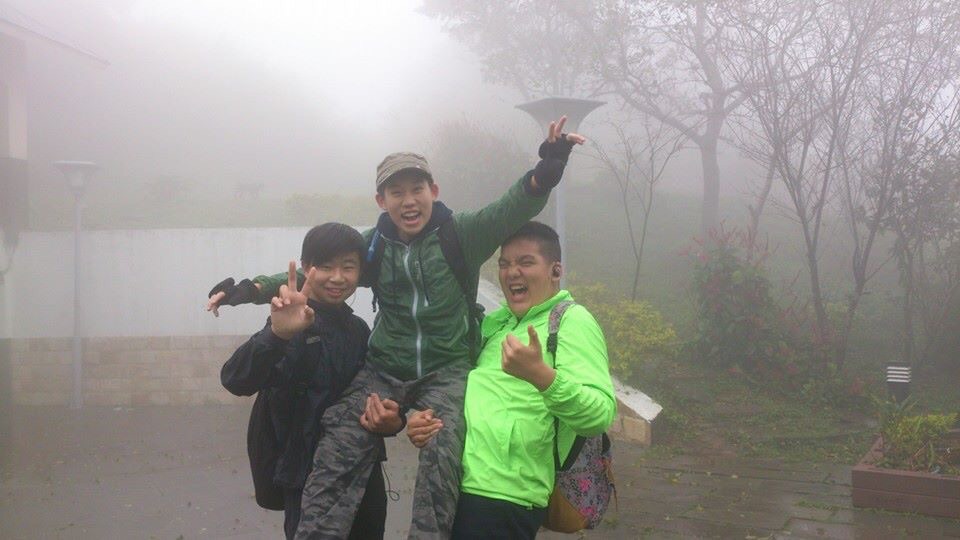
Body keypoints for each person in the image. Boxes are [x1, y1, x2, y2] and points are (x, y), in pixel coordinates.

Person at [207, 118, 585, 539]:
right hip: (385, 368)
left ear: (433, 191)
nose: (408, 201)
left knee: (443, 453)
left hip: (447, 370)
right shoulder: (373, 246)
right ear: (381, 200)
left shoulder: (462, 234)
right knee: (340, 436)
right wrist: (251, 289)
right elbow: (314, 274)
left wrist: (546, 170)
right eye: (396, 192)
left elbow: (510, 208)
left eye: (416, 189)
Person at [406, 221, 616, 540]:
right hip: (449, 481)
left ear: (555, 270)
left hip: (504, 496)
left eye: (525, 262)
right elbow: (461, 390)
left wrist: (542, 377)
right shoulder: (495, 324)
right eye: (504, 264)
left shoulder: (573, 321)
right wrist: (424, 420)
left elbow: (599, 414)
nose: (511, 272)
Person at [220, 223, 404, 540]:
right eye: (326, 266)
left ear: (361, 272)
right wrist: (276, 335)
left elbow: (380, 395)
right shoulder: (289, 324)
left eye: (348, 267)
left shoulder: (361, 331)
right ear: (306, 267)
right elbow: (235, 379)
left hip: (364, 474)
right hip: (306, 477)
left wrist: (395, 421)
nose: (337, 277)